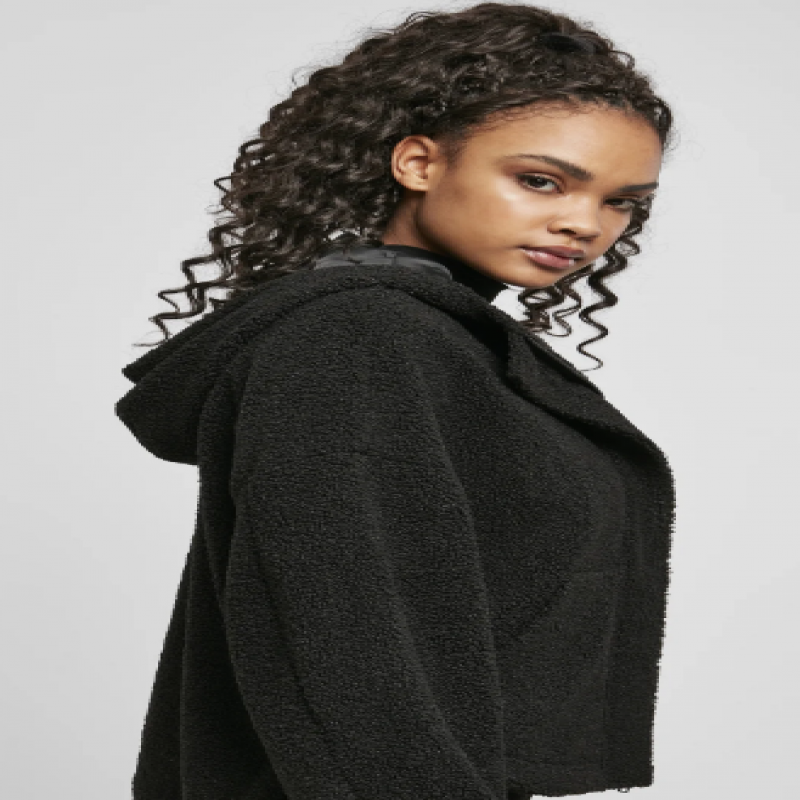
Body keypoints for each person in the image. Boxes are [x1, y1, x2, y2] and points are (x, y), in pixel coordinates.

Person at [115, 4, 677, 798]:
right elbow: (344, 640)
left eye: (622, 202)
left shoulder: (437, 343)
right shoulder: (355, 338)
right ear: (418, 162)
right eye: (540, 180)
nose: (584, 224)